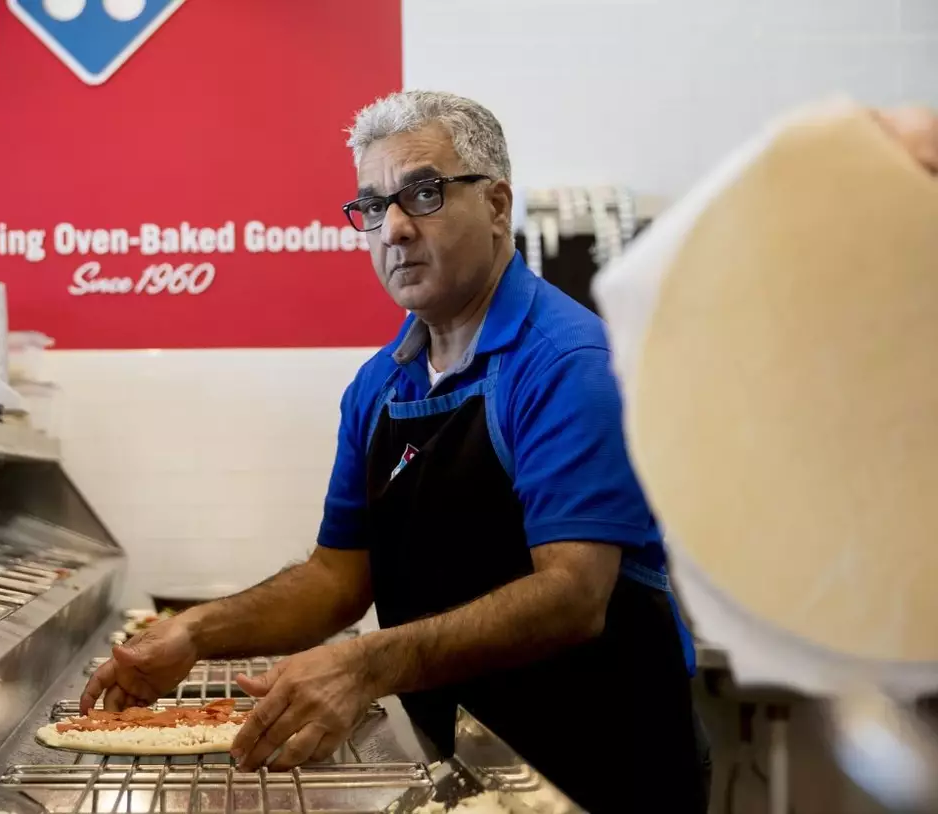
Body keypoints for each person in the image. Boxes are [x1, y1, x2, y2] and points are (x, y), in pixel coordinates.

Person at [81, 90, 935, 810]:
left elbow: (573, 596)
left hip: (600, 769)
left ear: (496, 205)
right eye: (371, 206)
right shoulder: (380, 386)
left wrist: (366, 661)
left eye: (422, 194)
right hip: (467, 767)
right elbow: (337, 576)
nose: (393, 230)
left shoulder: (566, 362)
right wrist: (193, 633)